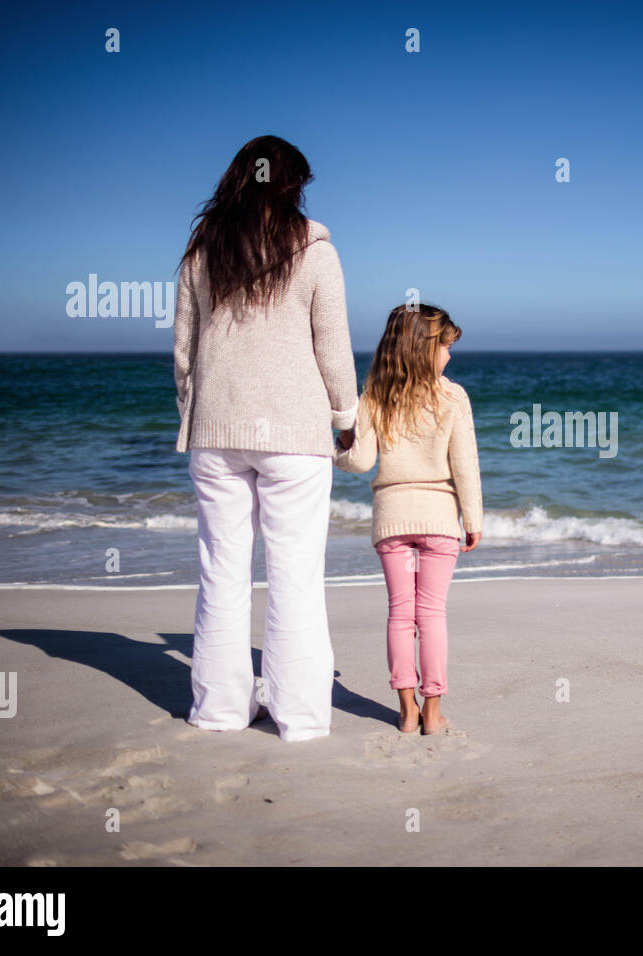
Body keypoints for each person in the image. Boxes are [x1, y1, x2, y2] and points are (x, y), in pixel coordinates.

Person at [173, 135, 357, 742]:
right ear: (293, 184)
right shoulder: (316, 251)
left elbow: (184, 355)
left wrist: (195, 416)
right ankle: (299, 716)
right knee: (295, 574)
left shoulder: (202, 250)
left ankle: (219, 711)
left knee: (221, 572)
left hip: (215, 434)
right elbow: (332, 349)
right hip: (295, 435)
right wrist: (346, 416)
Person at [337, 304, 482, 735]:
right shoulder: (453, 396)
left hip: (393, 521)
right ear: (424, 349)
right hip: (439, 523)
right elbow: (465, 464)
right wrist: (473, 519)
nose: (450, 357)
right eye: (445, 347)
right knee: (432, 614)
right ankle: (433, 715)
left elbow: (360, 462)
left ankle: (406, 711)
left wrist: (341, 443)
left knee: (401, 614)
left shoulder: (375, 396)